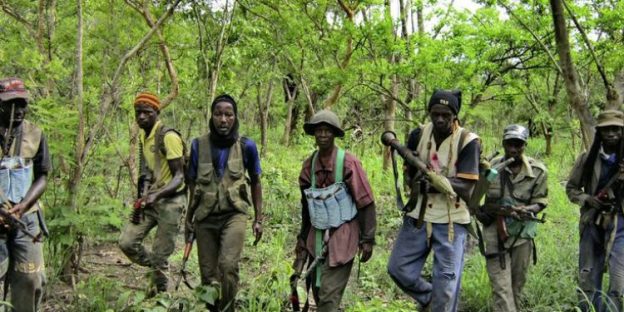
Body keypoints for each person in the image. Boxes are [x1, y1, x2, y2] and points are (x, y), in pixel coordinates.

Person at [387, 89, 480, 311]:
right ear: (429, 112)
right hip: (419, 214)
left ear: (454, 115)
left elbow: (467, 188)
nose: (439, 119)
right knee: (398, 268)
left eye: (445, 115)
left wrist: (434, 182)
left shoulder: (468, 141)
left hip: (452, 220)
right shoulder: (418, 135)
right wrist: (415, 174)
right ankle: (429, 298)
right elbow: (409, 179)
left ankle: (440, 303)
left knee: (447, 285)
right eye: (435, 114)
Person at [185, 94, 263, 312]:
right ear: (211, 116)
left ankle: (228, 309)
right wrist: (189, 219)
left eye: (228, 114)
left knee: (227, 266)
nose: (223, 120)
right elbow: (192, 185)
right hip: (205, 217)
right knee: (208, 274)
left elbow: (256, 182)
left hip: (234, 214)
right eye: (218, 114)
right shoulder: (197, 145)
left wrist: (259, 219)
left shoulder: (247, 146)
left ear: (235, 117)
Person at [293, 109, 376, 312]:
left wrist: (368, 239)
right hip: (317, 234)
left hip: (344, 234)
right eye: (318, 131)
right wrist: (302, 238)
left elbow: (366, 201)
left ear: (334, 134)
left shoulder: (348, 163)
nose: (322, 135)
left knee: (328, 297)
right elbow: (306, 206)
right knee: (317, 288)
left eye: (327, 131)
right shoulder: (308, 167)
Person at [118, 92, 186, 295]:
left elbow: (179, 177)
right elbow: (146, 170)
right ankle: (158, 269)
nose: (141, 117)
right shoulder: (143, 135)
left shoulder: (169, 137)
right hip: (152, 198)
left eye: (146, 112)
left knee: (160, 253)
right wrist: (142, 197)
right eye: (137, 113)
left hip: (171, 202)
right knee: (127, 243)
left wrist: (156, 195)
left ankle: (162, 295)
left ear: (156, 112)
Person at [479, 124, 548, 312]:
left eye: (518, 145)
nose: (513, 149)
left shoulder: (538, 171)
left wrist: (527, 209)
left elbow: (541, 201)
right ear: (503, 143)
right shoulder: (491, 168)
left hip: (521, 235)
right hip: (495, 233)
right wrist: (483, 212)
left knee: (516, 288)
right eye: (509, 144)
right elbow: (476, 198)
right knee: (501, 289)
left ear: (525, 145)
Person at [0, 78, 50, 312]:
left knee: (31, 279)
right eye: (11, 104)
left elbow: (42, 176)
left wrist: (23, 205)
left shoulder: (35, 134)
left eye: (22, 104)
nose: (18, 110)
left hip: (25, 217)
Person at [566, 110, 624, 312]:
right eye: (606, 129)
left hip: (620, 225)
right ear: (599, 132)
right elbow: (571, 189)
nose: (611, 134)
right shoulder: (587, 158)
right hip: (592, 222)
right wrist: (587, 199)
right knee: (588, 275)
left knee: (618, 280)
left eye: (615, 129)